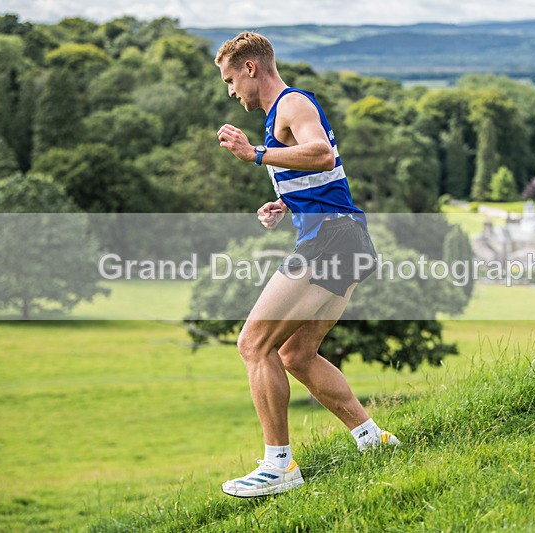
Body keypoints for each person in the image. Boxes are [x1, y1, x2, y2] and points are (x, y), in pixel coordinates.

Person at [214, 32, 399, 498]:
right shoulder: (283, 113)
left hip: (332, 240)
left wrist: (253, 155)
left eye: (231, 79)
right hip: (343, 235)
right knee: (294, 354)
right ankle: (372, 439)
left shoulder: (293, 105)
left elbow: (322, 153)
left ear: (251, 68)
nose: (231, 91)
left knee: (253, 345)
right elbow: (322, 176)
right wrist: (287, 202)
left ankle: (279, 466)